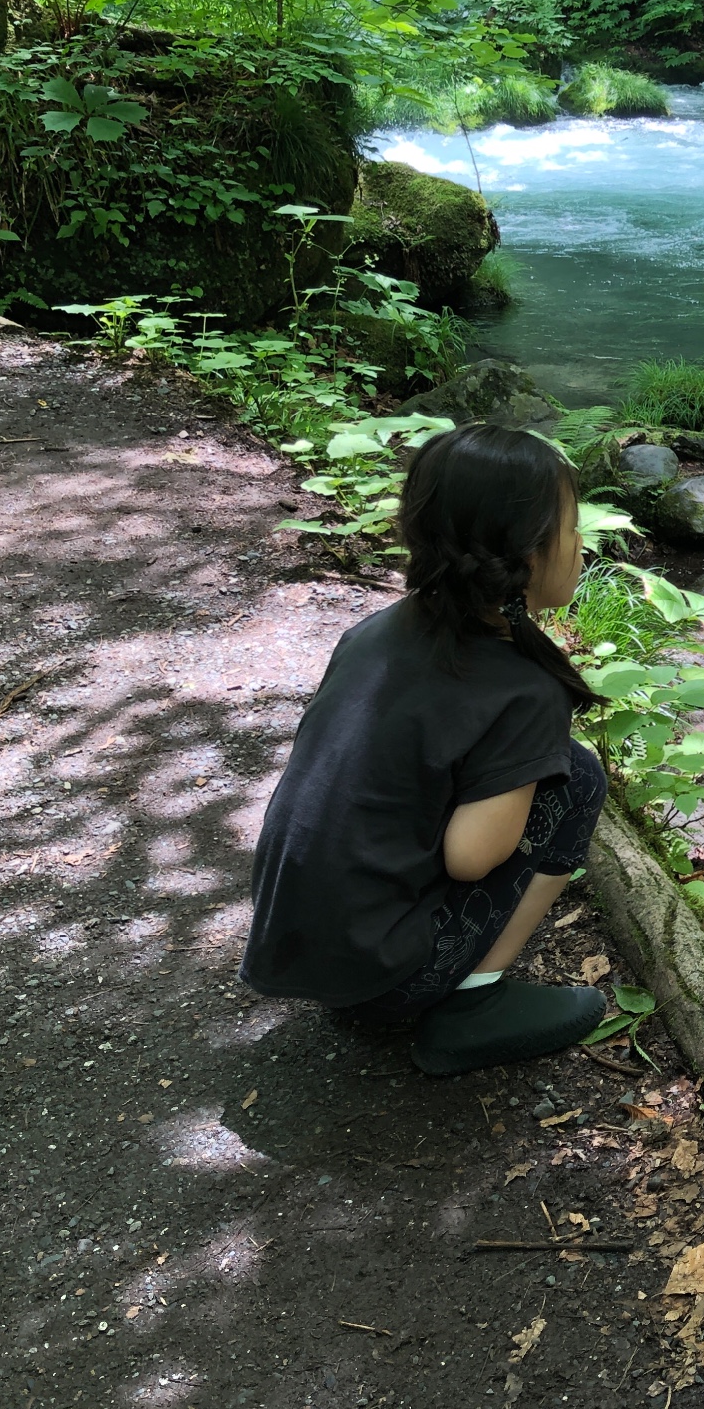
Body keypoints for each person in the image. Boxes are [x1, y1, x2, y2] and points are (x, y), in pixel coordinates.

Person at [241, 423, 613, 1076]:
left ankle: (415, 975)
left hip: (297, 942)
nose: (582, 543)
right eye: (573, 527)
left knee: (551, 770)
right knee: (578, 778)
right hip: (383, 980)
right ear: (527, 557)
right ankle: (473, 1005)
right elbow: (472, 860)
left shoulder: (378, 633)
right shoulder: (524, 693)